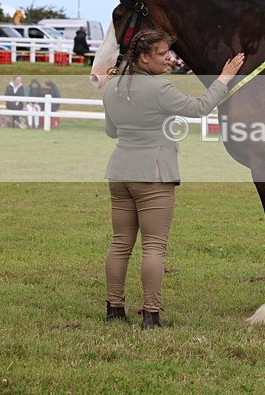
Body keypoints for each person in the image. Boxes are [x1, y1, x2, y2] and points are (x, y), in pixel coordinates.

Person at [102, 28, 244, 329]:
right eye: (164, 55)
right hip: (153, 174)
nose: (170, 59)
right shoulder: (160, 89)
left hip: (119, 172)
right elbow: (200, 108)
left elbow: (111, 131)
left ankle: (114, 308)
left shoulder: (111, 86)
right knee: (154, 246)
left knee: (119, 244)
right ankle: (151, 315)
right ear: (144, 57)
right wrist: (223, 79)